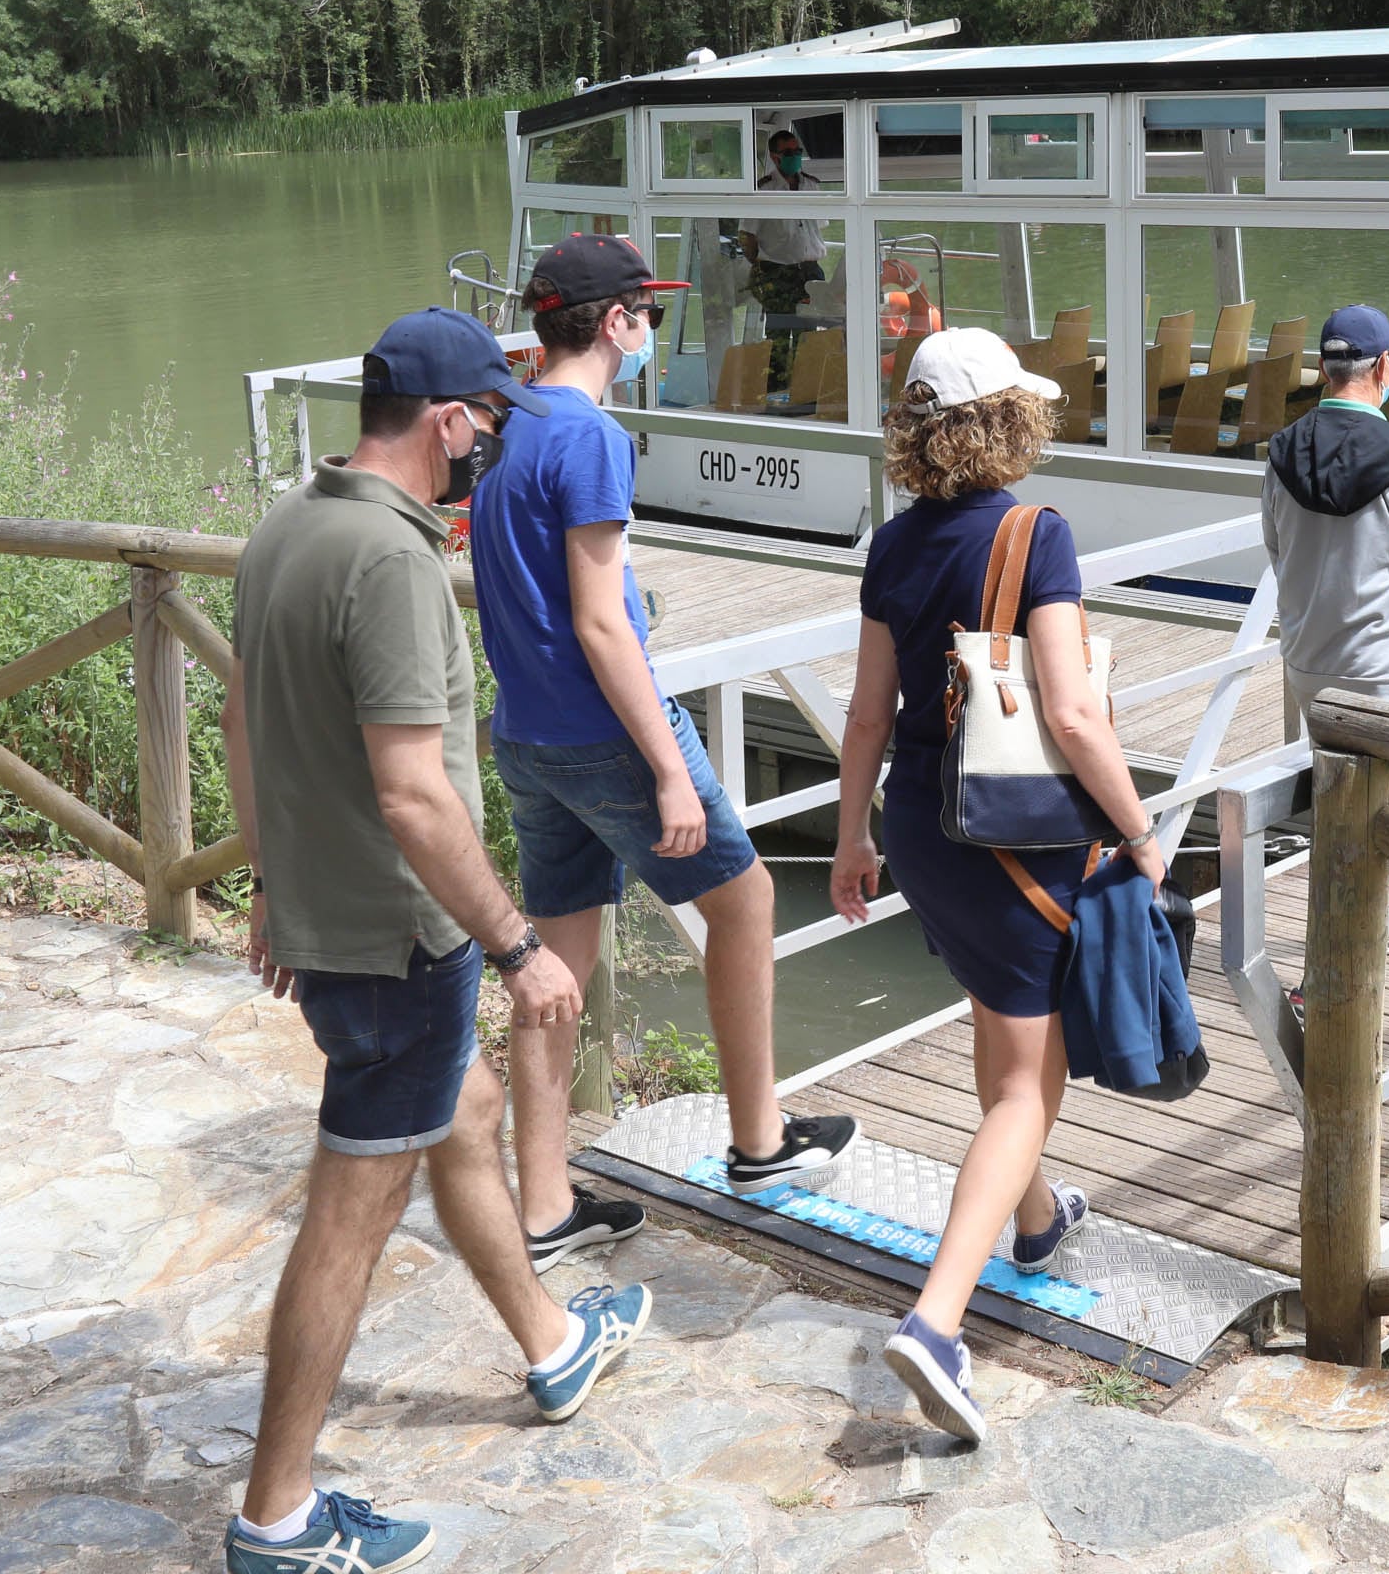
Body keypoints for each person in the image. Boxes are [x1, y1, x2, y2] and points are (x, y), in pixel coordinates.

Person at [222, 307, 646, 1574]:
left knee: (463, 1112)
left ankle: (552, 1341)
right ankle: (278, 1517)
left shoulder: (289, 524)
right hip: (398, 941)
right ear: (450, 419)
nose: (490, 448)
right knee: (348, 1217)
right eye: (488, 423)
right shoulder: (396, 562)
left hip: (335, 919)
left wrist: (273, 881)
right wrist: (520, 945)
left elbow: (247, 722)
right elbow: (414, 794)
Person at [473, 233, 859, 1255]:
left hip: (525, 731)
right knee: (748, 900)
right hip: (608, 733)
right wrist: (665, 770)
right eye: (646, 315)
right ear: (613, 322)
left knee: (554, 964)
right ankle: (759, 1138)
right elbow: (603, 623)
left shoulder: (505, 422)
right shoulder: (590, 436)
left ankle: (545, 1204)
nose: (650, 331)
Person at [826, 328, 1166, 1446]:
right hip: (1013, 833)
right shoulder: (1037, 532)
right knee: (1028, 1085)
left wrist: (847, 839)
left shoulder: (894, 542)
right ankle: (935, 1322)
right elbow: (1070, 712)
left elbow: (868, 715)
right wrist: (1142, 825)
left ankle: (1033, 1216)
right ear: (1008, 423)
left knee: (1000, 1026)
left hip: (922, 825)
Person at [1262, 305, 1389, 738]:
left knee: (1329, 789)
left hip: (1307, 666)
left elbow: (1278, 553)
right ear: (1384, 365)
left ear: (1321, 369)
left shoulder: (1281, 453)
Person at [739, 126, 832, 393]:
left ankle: (806, 390)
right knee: (778, 335)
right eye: (788, 152)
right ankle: (777, 391)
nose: (795, 156)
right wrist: (760, 264)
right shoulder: (764, 190)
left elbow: (818, 226)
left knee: (809, 334)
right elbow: (747, 235)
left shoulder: (812, 185)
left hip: (810, 271)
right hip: (777, 271)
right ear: (775, 156)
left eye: (797, 151)